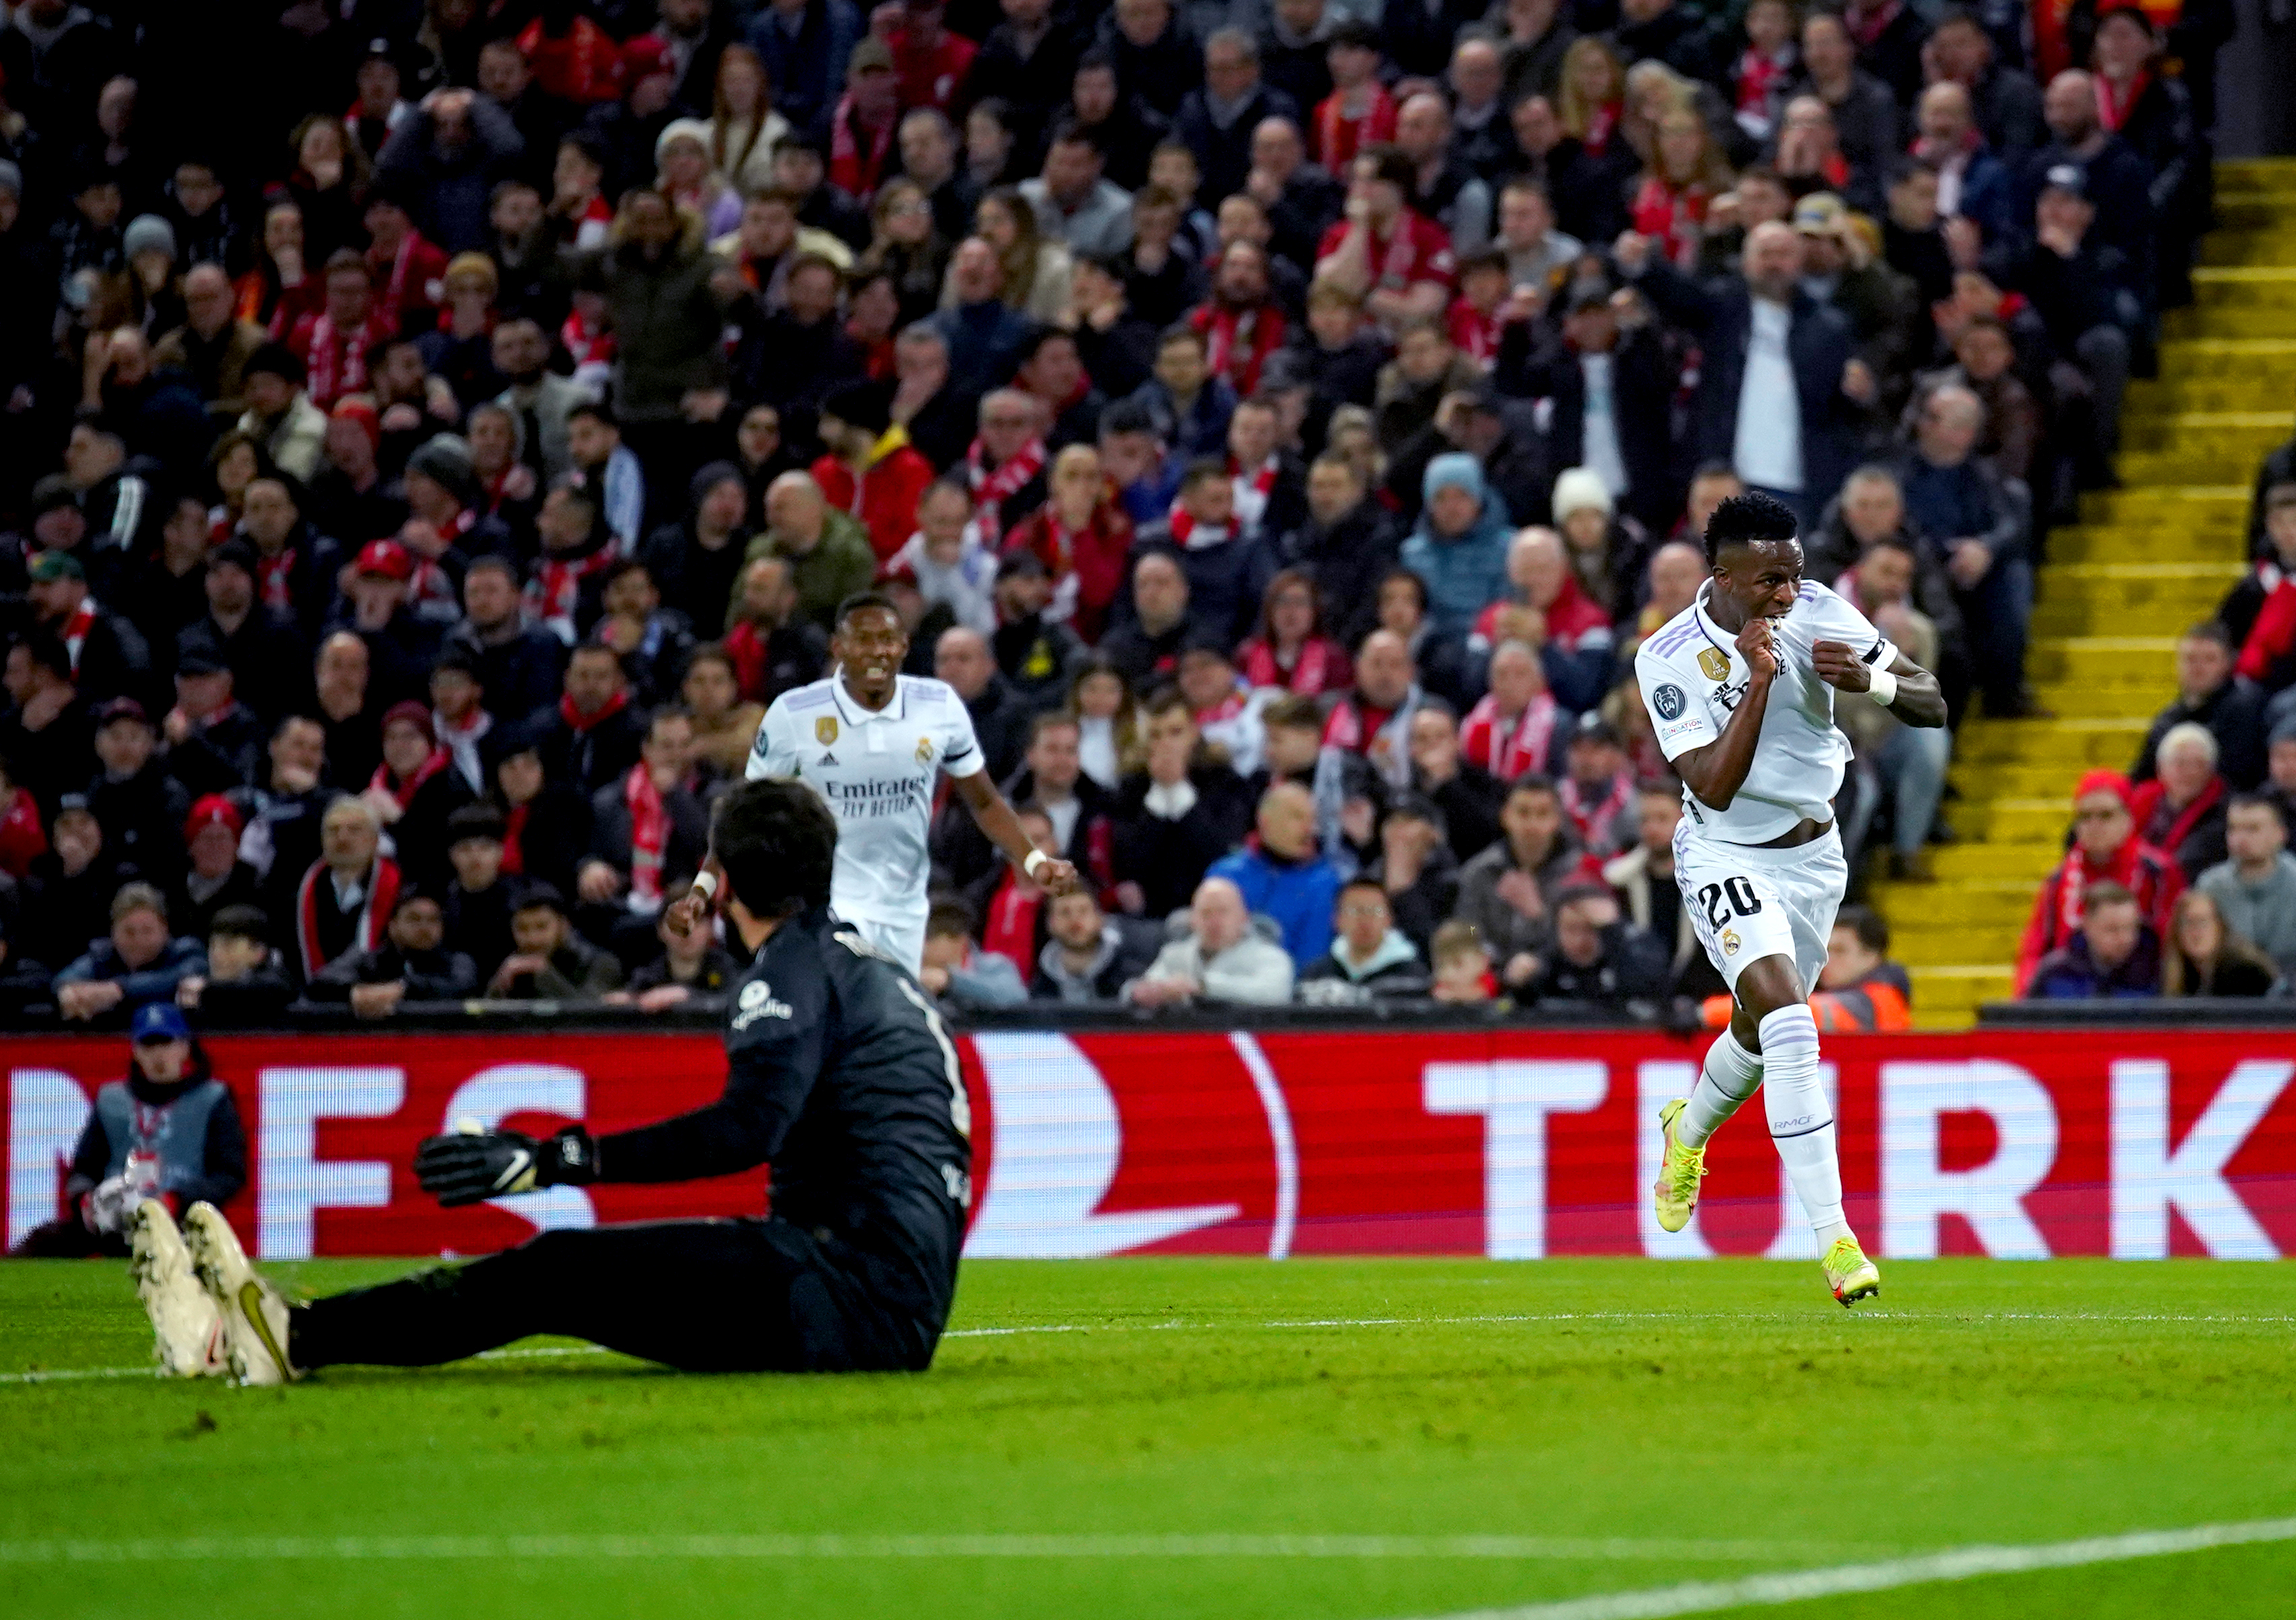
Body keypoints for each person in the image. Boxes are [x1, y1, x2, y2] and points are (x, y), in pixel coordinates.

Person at [132, 778, 975, 1382]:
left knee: (558, 1269)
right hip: (879, 1292)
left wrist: (555, 1159)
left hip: (843, 1296)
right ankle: (280, 1330)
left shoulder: (788, 974)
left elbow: (743, 1130)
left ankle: (287, 1335)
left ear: (727, 880)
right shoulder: (874, 970)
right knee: (567, 1270)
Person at [1637, 492, 1947, 1307]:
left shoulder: (1818, 610)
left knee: (1754, 1027)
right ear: (1723, 576)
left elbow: (1932, 702)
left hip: (1815, 858)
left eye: (1795, 574)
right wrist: (1759, 682)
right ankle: (1836, 1239)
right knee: (1788, 1022)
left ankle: (1688, 1130)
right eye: (1770, 579)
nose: (1788, 593)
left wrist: (1875, 680)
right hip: (1723, 852)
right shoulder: (1666, 655)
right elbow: (1710, 780)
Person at [688, 592, 1076, 977]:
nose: (877, 651)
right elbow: (743, 813)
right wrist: (703, 887)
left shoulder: (938, 706)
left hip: (903, 912)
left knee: (880, 1031)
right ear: (838, 647)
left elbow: (985, 802)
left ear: (904, 645)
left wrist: (1034, 861)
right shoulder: (795, 713)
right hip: (822, 906)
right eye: (863, 640)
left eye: (887, 640)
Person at [11, 1004, 244, 1268]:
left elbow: (230, 1174)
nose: (158, 1055)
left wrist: (179, 1199)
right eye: (148, 1045)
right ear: (135, 1051)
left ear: (184, 1047)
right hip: (116, 1220)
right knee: (42, 1242)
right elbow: (84, 1168)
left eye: (166, 1043)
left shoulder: (213, 1099)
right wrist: (85, 1200)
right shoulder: (112, 1100)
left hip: (182, 1221)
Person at [1208, 781, 1340, 967]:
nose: (1309, 829)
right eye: (1297, 817)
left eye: (1312, 820)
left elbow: (1312, 962)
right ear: (1265, 821)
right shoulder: (1225, 875)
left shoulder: (1324, 884)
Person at [1127, 874, 1295, 1006]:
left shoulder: (1271, 957)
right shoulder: (1174, 955)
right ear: (1193, 920)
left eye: (1223, 912)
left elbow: (1274, 993)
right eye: (1206, 913)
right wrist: (1144, 992)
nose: (1214, 922)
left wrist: (1204, 986)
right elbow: (1141, 987)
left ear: (1243, 917)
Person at [307, 888, 480, 1016]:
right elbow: (321, 983)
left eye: (433, 920)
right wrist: (354, 993)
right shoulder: (368, 959)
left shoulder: (458, 961)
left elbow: (463, 987)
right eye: (414, 919)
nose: (424, 928)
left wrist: (403, 988)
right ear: (393, 926)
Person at [52, 883, 207, 1023]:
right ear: (113, 932)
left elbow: (178, 978)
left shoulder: (187, 952)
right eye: (129, 932)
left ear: (164, 930)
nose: (138, 940)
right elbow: (65, 979)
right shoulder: (102, 955)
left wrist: (118, 990)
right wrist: (68, 992)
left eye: (147, 931)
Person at [2195, 796, 2296, 976]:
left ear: (2280, 834)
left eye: (2253, 829)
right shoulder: (2210, 886)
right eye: (2234, 829)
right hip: (2228, 992)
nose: (2240, 839)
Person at [1296, 876, 1429, 1004]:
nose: (1364, 920)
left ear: (1389, 919)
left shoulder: (1415, 979)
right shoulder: (1315, 977)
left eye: (1375, 911)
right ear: (1337, 919)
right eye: (1354, 911)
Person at [2024, 880, 2161, 999]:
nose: (2125, 938)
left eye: (2131, 928)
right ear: (2088, 926)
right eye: (2112, 929)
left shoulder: (2156, 973)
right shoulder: (2054, 973)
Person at [1030, 886, 1159, 1002]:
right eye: (1065, 912)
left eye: (1083, 911)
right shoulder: (1040, 989)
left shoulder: (1133, 978)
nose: (1075, 920)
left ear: (1100, 919)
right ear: (1050, 924)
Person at [1808, 905, 1913, 1031]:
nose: (1826, 960)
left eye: (1840, 951)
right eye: (1825, 950)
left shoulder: (1882, 998)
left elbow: (1810, 1012)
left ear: (1871, 956)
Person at [2159, 889, 2276, 1000]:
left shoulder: (2247, 974)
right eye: (2188, 922)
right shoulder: (2180, 977)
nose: (2196, 931)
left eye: (2203, 922)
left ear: (2220, 927)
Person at [917, 903, 1027, 1010]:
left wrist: (951, 981)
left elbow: (1016, 996)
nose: (921, 947)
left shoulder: (993, 966)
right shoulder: (909, 970)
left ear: (959, 940)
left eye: (929, 939)